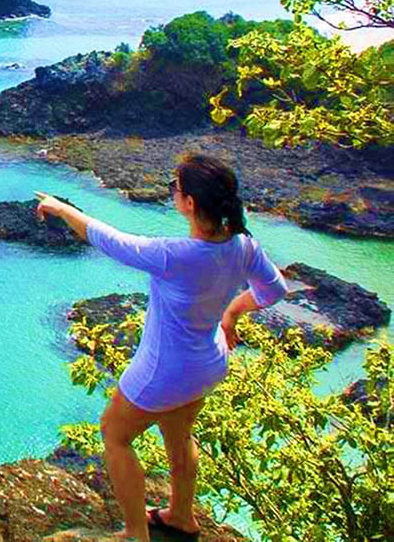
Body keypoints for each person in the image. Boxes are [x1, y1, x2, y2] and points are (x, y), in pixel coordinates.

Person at [34, 153, 289, 541]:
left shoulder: (175, 255)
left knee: (115, 435)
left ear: (189, 203)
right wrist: (233, 313)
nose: (173, 192)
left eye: (176, 187)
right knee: (179, 433)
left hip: (164, 372)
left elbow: (110, 240)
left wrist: (60, 208)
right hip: (208, 364)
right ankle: (181, 516)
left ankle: (137, 533)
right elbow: (274, 291)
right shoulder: (244, 247)